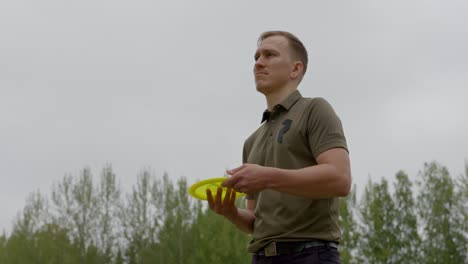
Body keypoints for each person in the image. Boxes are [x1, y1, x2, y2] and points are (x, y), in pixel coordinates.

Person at [206, 31, 351, 264]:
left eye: (269, 55)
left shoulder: (315, 110)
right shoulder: (252, 141)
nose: (259, 63)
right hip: (261, 258)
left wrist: (267, 178)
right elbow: (255, 220)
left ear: (296, 69)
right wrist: (231, 213)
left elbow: (340, 179)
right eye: (256, 57)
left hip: (311, 255)